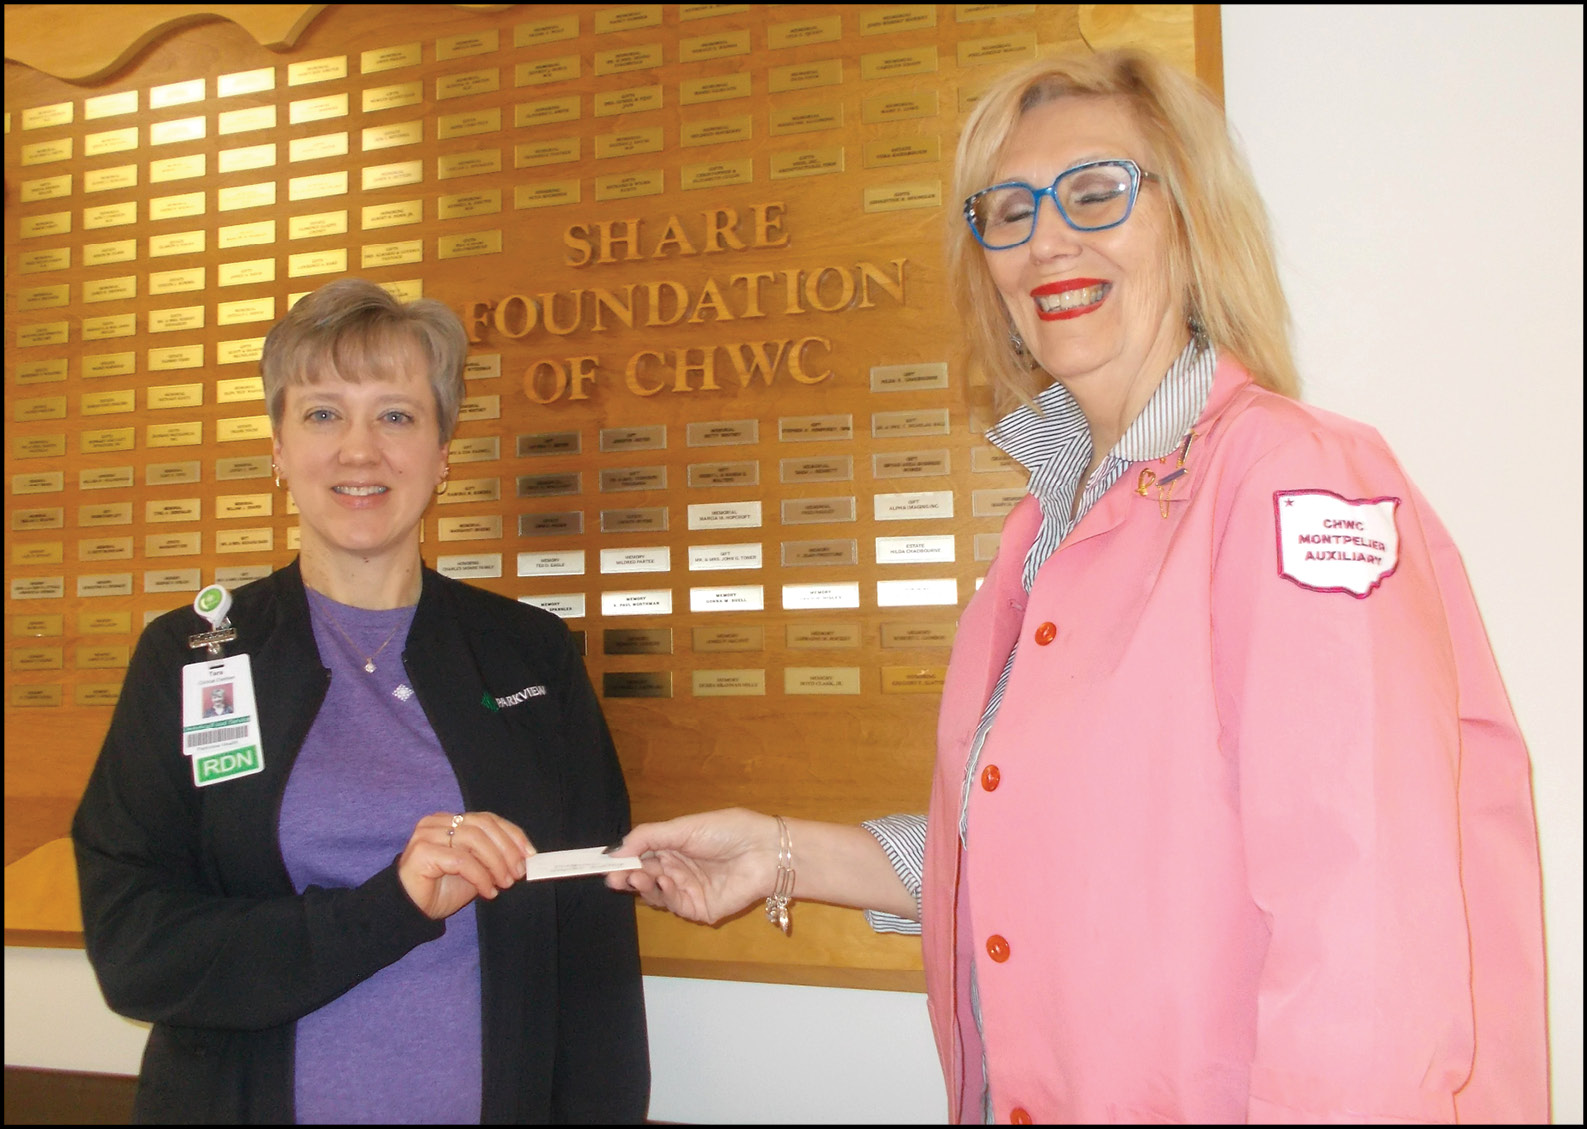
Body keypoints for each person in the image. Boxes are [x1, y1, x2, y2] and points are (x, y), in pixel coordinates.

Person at [606, 49, 1549, 1123]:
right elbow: (1057, 849)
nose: (1046, 239)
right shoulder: (1043, 525)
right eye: (1008, 210)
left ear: (1191, 222)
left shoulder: (1294, 477)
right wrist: (780, 852)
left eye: (1096, 191)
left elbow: (1365, 929)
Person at [73, 278, 649, 1123]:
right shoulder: (190, 656)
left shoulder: (531, 653)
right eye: (322, 414)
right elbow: (136, 950)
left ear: (442, 451)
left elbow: (593, 951)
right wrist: (390, 906)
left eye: (395, 415)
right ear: (278, 449)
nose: (359, 450)